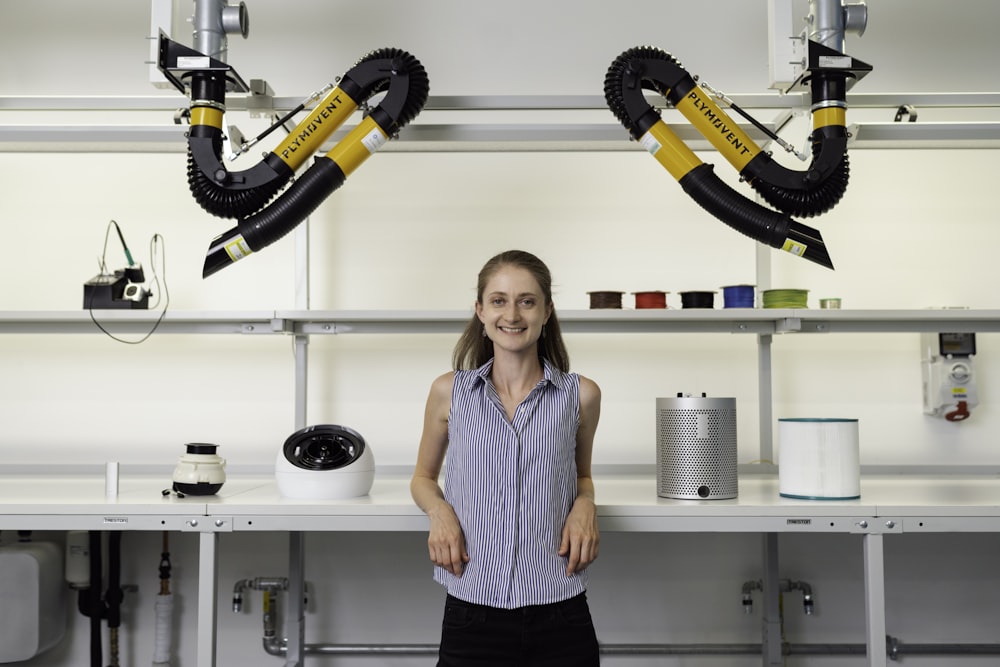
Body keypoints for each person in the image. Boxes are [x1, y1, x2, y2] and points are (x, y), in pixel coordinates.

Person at [411, 249, 602, 666]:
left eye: (526, 301)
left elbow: (581, 476)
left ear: (547, 311)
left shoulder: (581, 394)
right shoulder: (450, 391)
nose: (512, 314)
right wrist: (439, 512)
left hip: (561, 608)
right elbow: (423, 478)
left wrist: (585, 503)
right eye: (498, 300)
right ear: (480, 310)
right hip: (472, 609)